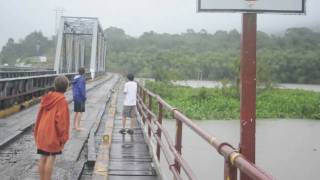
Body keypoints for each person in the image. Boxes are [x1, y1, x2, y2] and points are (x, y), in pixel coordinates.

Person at [33, 75, 70, 180]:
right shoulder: (62, 101)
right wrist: (63, 138)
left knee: (43, 156)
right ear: (66, 87)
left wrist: (36, 131)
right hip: (52, 133)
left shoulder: (47, 98)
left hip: (42, 131)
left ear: (55, 85)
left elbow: (39, 116)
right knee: (51, 156)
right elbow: (62, 122)